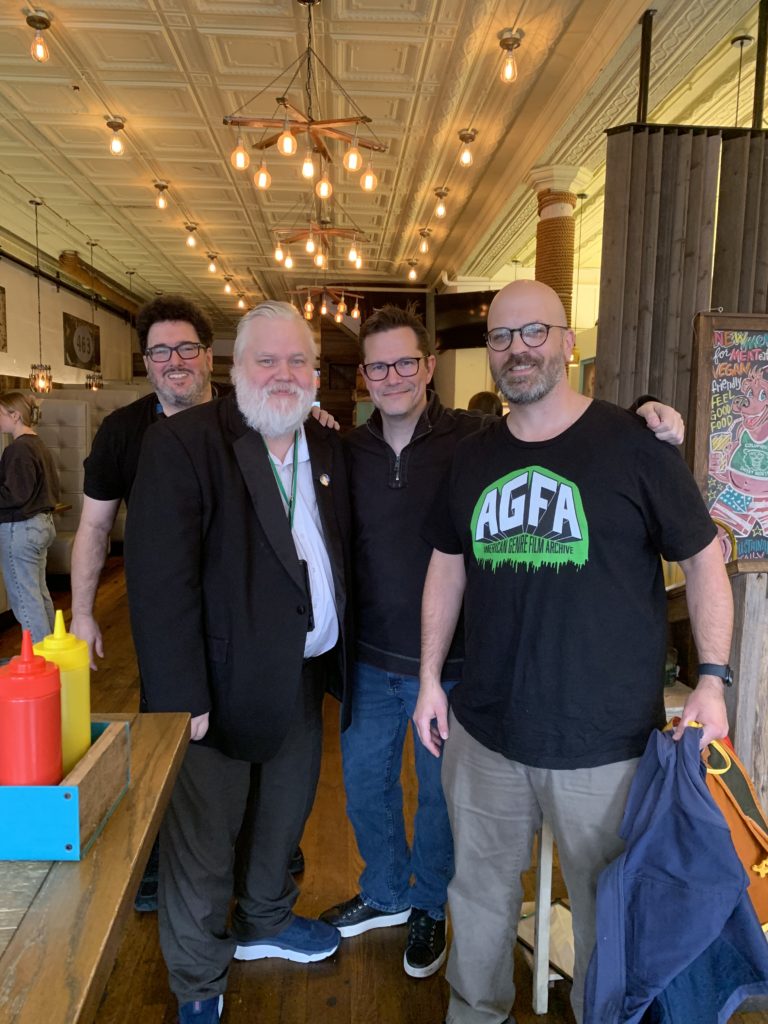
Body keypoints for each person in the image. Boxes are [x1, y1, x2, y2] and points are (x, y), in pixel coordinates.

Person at [320, 304, 686, 981]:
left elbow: (553, 421)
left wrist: (646, 412)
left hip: (456, 665)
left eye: (406, 361)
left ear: (430, 367)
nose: (393, 376)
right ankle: (385, 892)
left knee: (438, 802)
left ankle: (428, 903)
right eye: (378, 366)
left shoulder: (475, 438)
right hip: (369, 660)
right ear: (365, 378)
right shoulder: (343, 451)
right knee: (365, 789)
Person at [414, 279, 733, 1024]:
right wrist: (430, 678)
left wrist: (713, 679)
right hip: (487, 731)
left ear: (567, 343)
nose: (516, 349)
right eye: (500, 336)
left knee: (607, 910)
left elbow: (704, 561)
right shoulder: (471, 457)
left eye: (534, 332)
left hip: (608, 741)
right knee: (480, 897)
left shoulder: (634, 446)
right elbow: (445, 566)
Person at [124, 301, 351, 1024]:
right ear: (234, 368)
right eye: (267, 360)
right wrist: (182, 699)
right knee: (201, 843)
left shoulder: (331, 447)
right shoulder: (185, 444)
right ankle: (196, 977)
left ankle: (267, 919)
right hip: (213, 692)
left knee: (283, 820)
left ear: (316, 374)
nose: (284, 374)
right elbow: (160, 587)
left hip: (301, 676)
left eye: (298, 362)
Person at [70, 294, 218, 667]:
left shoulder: (245, 420)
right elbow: (93, 526)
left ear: (209, 356)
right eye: (161, 352)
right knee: (169, 717)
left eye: (187, 348)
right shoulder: (121, 430)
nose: (175, 361)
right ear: (148, 364)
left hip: (239, 601)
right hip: (160, 603)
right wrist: (82, 613)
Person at [0, 391, 60, 643]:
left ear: (15, 416)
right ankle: (50, 657)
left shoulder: (19, 449)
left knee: (25, 601)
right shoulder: (38, 444)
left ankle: (40, 664)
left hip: (21, 529)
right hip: (41, 525)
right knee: (38, 594)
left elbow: (15, 495)